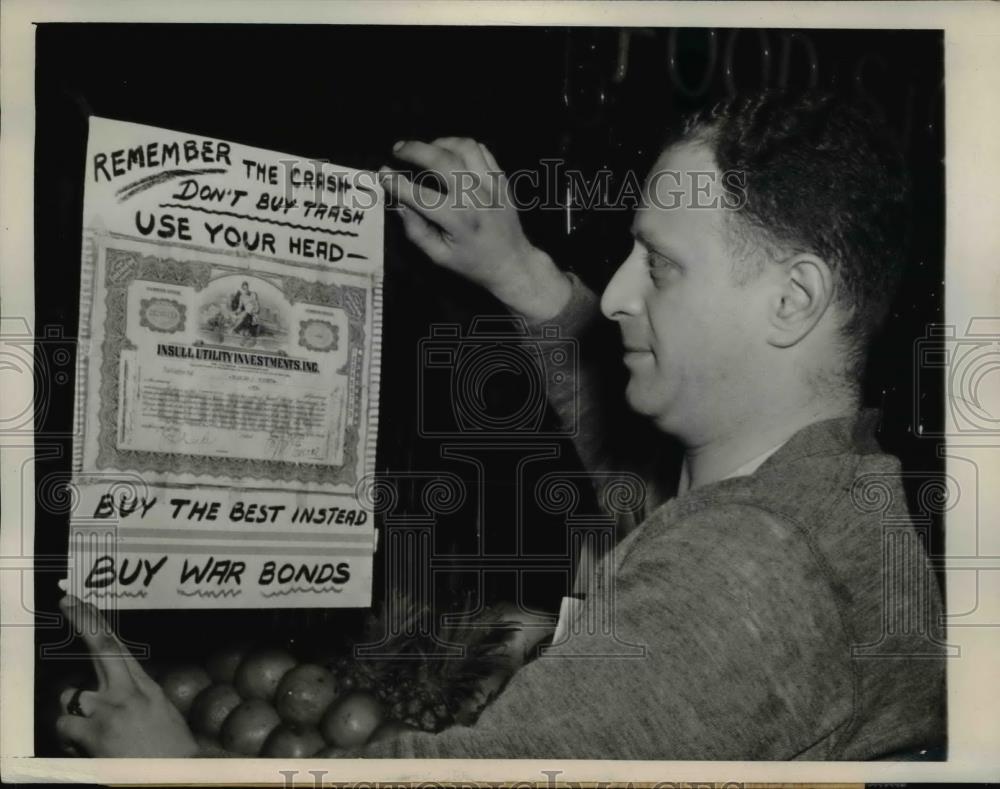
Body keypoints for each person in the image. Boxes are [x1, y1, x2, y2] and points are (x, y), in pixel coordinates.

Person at [56, 91, 946, 760]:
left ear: (793, 299)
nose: (624, 292)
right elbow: (636, 486)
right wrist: (518, 269)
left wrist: (169, 771)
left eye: (663, 267)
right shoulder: (822, 486)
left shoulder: (749, 571)